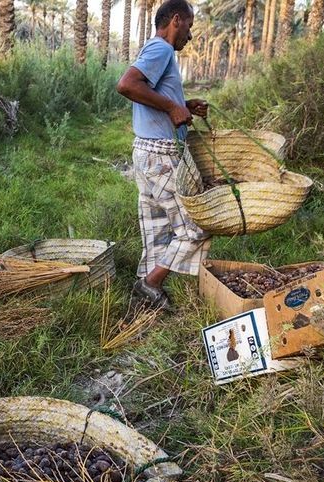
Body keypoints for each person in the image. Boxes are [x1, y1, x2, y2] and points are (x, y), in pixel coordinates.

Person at [116, 0, 211, 311]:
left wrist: (184, 103)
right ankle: (150, 284)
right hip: (161, 154)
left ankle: (142, 305)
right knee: (197, 227)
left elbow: (150, 92)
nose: (190, 35)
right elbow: (127, 85)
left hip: (146, 152)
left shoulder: (159, 51)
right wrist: (172, 108)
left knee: (157, 229)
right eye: (189, 26)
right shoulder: (162, 50)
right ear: (175, 20)